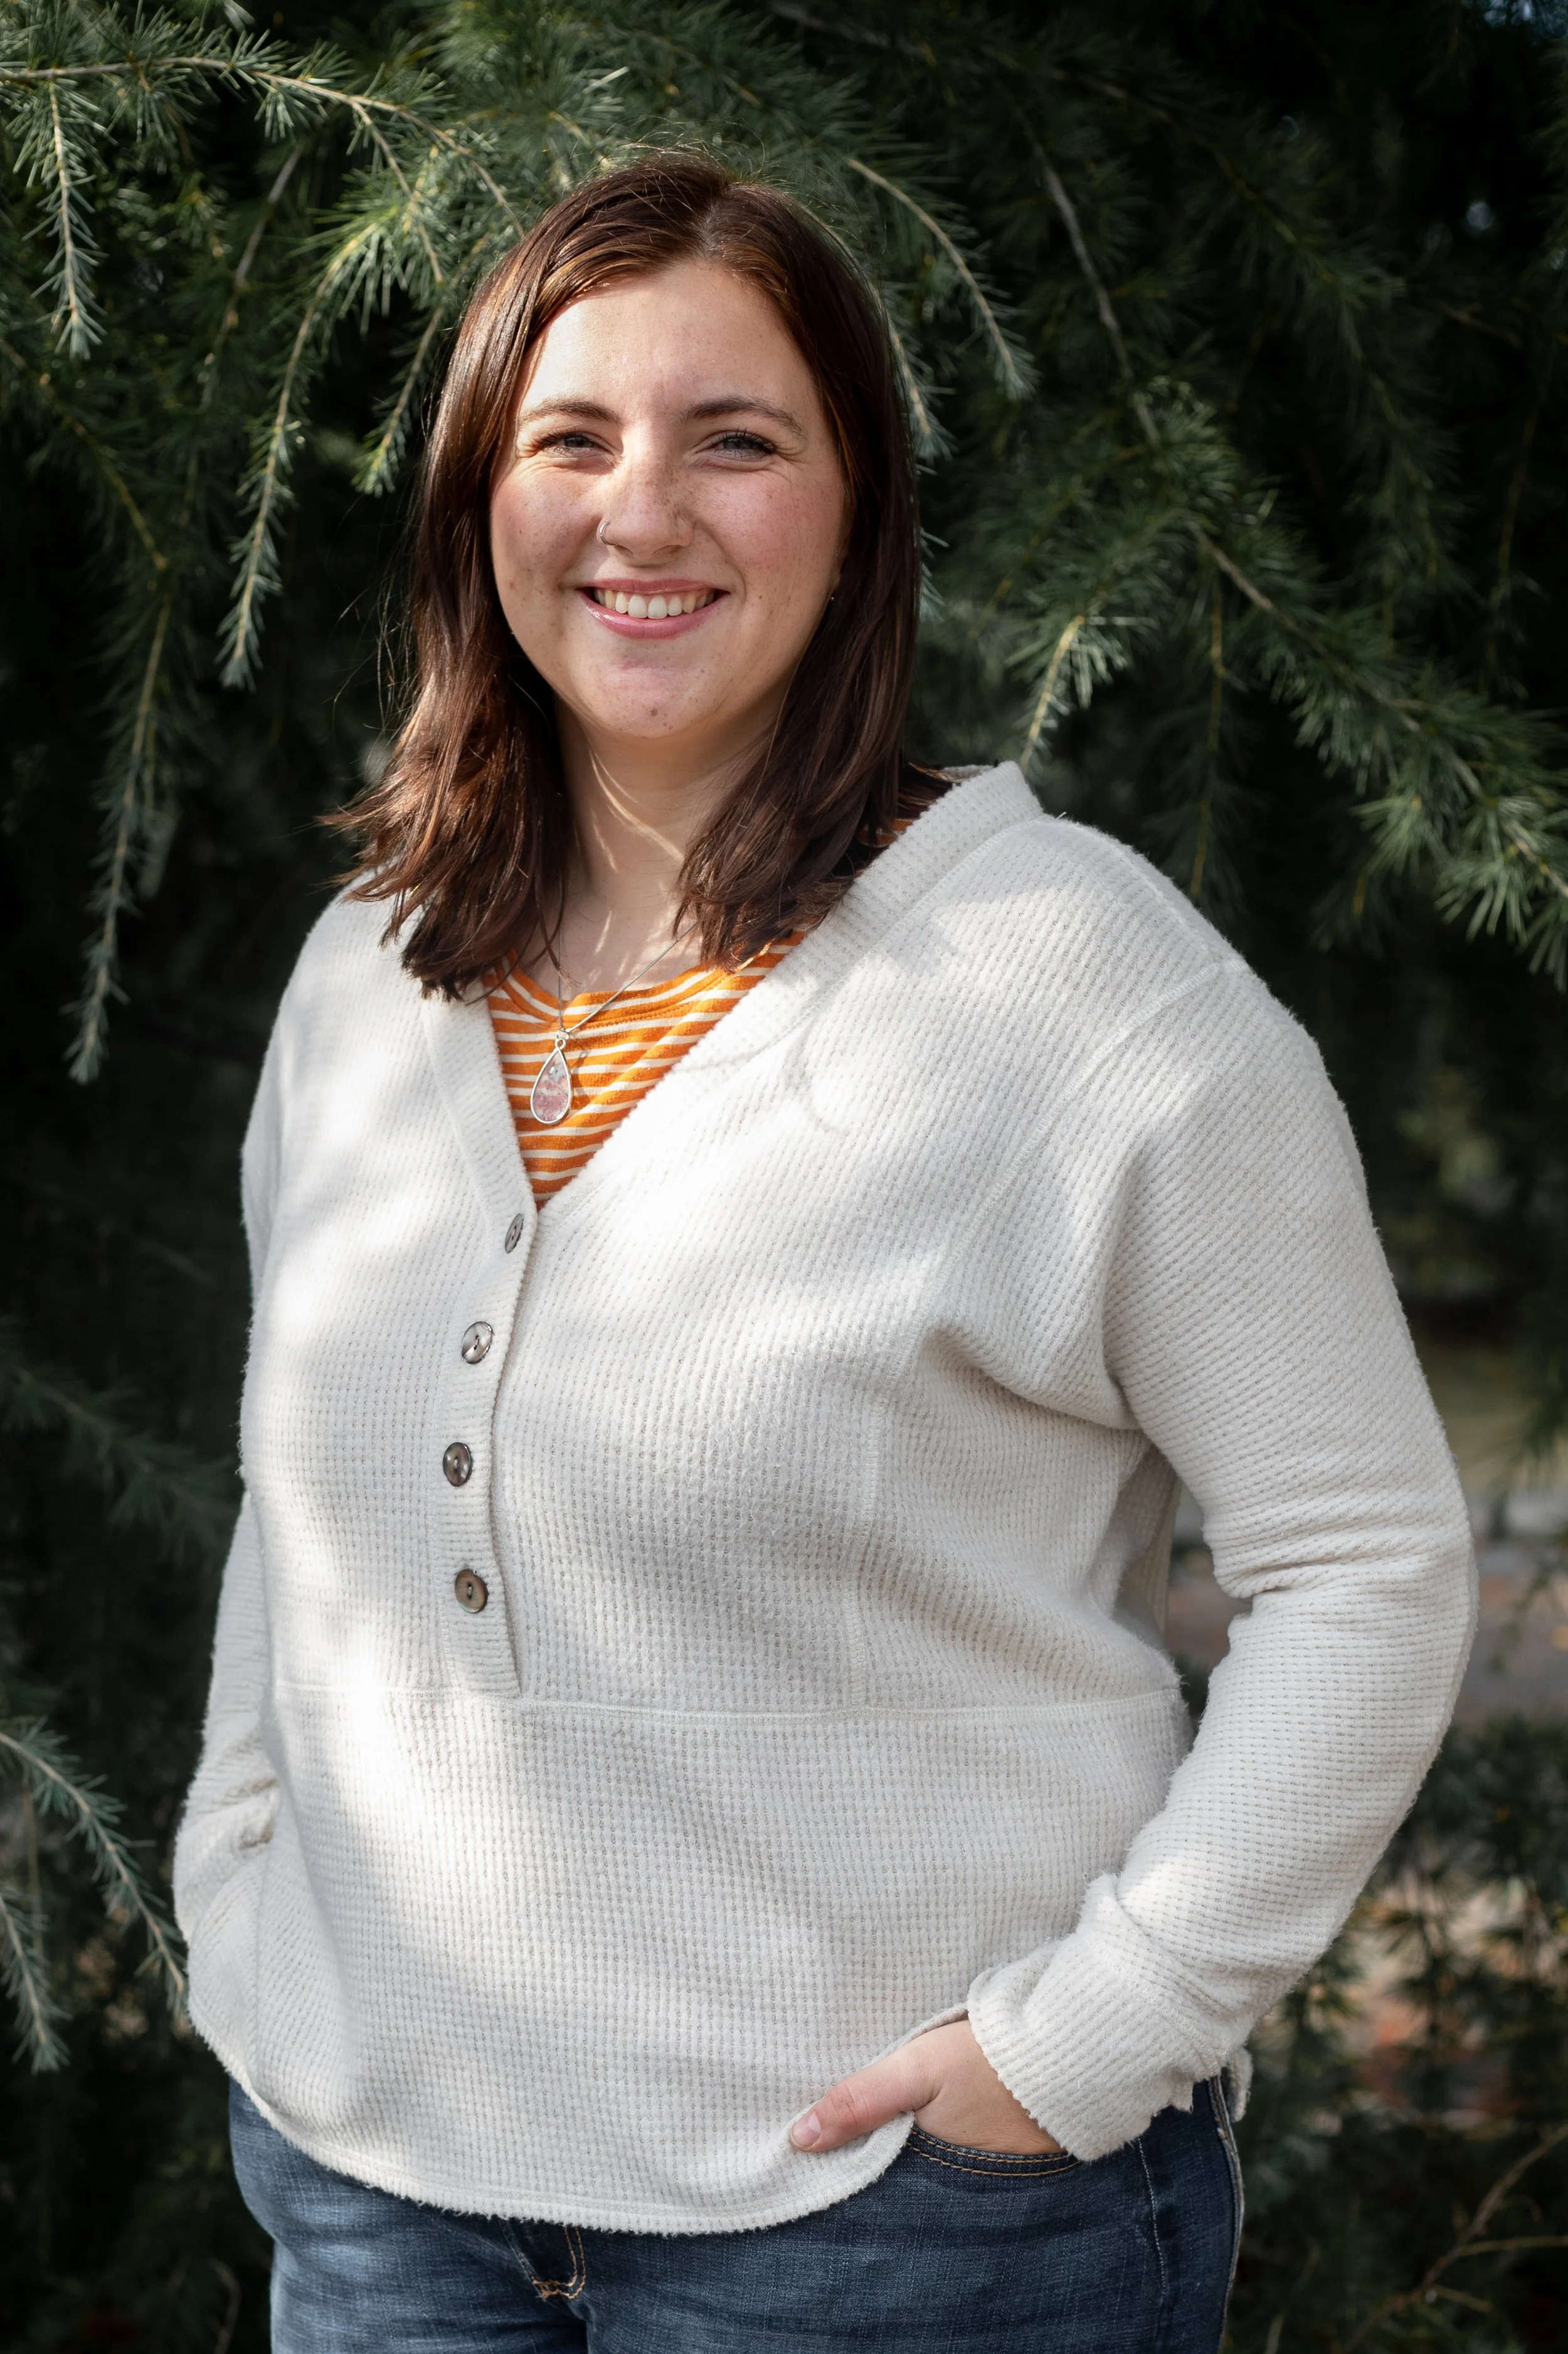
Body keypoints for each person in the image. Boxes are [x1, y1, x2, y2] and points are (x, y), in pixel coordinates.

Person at [174, 154, 1476, 2353]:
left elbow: (1364, 1561)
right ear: (475, 500)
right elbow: (305, 1500)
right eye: (569, 438)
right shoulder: (369, 974)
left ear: (859, 507)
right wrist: (243, 1881)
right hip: (377, 2194)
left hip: (893, 2235)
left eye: (737, 440)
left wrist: (1087, 2041)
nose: (640, 511)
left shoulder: (1081, 994)